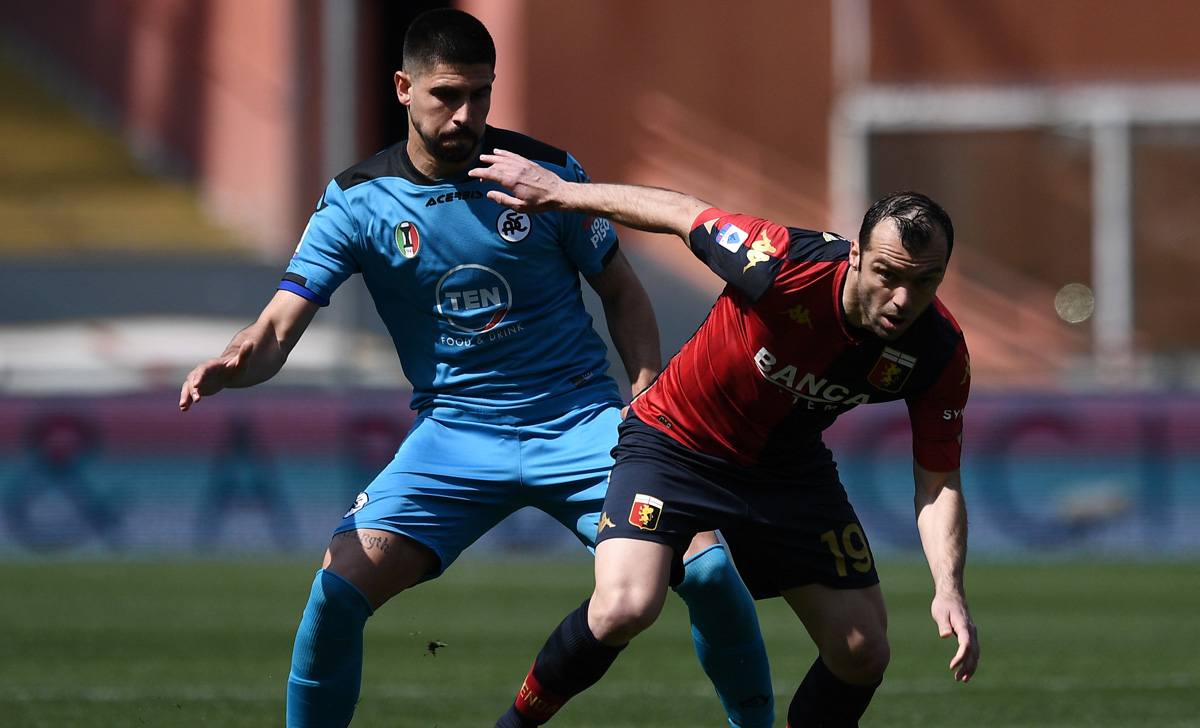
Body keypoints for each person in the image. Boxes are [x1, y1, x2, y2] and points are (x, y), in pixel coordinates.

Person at [178, 9, 774, 728]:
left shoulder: (543, 176)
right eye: (447, 96)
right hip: (454, 436)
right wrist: (235, 361)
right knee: (335, 593)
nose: (467, 115)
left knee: (709, 570)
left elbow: (620, 287)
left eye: (481, 96)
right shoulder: (358, 201)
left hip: (580, 424)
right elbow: (275, 330)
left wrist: (646, 400)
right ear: (402, 87)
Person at [471, 149, 980, 728]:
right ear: (857, 255)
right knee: (623, 608)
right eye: (888, 274)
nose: (903, 300)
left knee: (863, 652)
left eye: (925, 282)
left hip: (786, 471)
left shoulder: (938, 352)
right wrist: (555, 191)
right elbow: (680, 211)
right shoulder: (781, 262)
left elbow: (938, 484)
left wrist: (949, 588)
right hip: (675, 442)